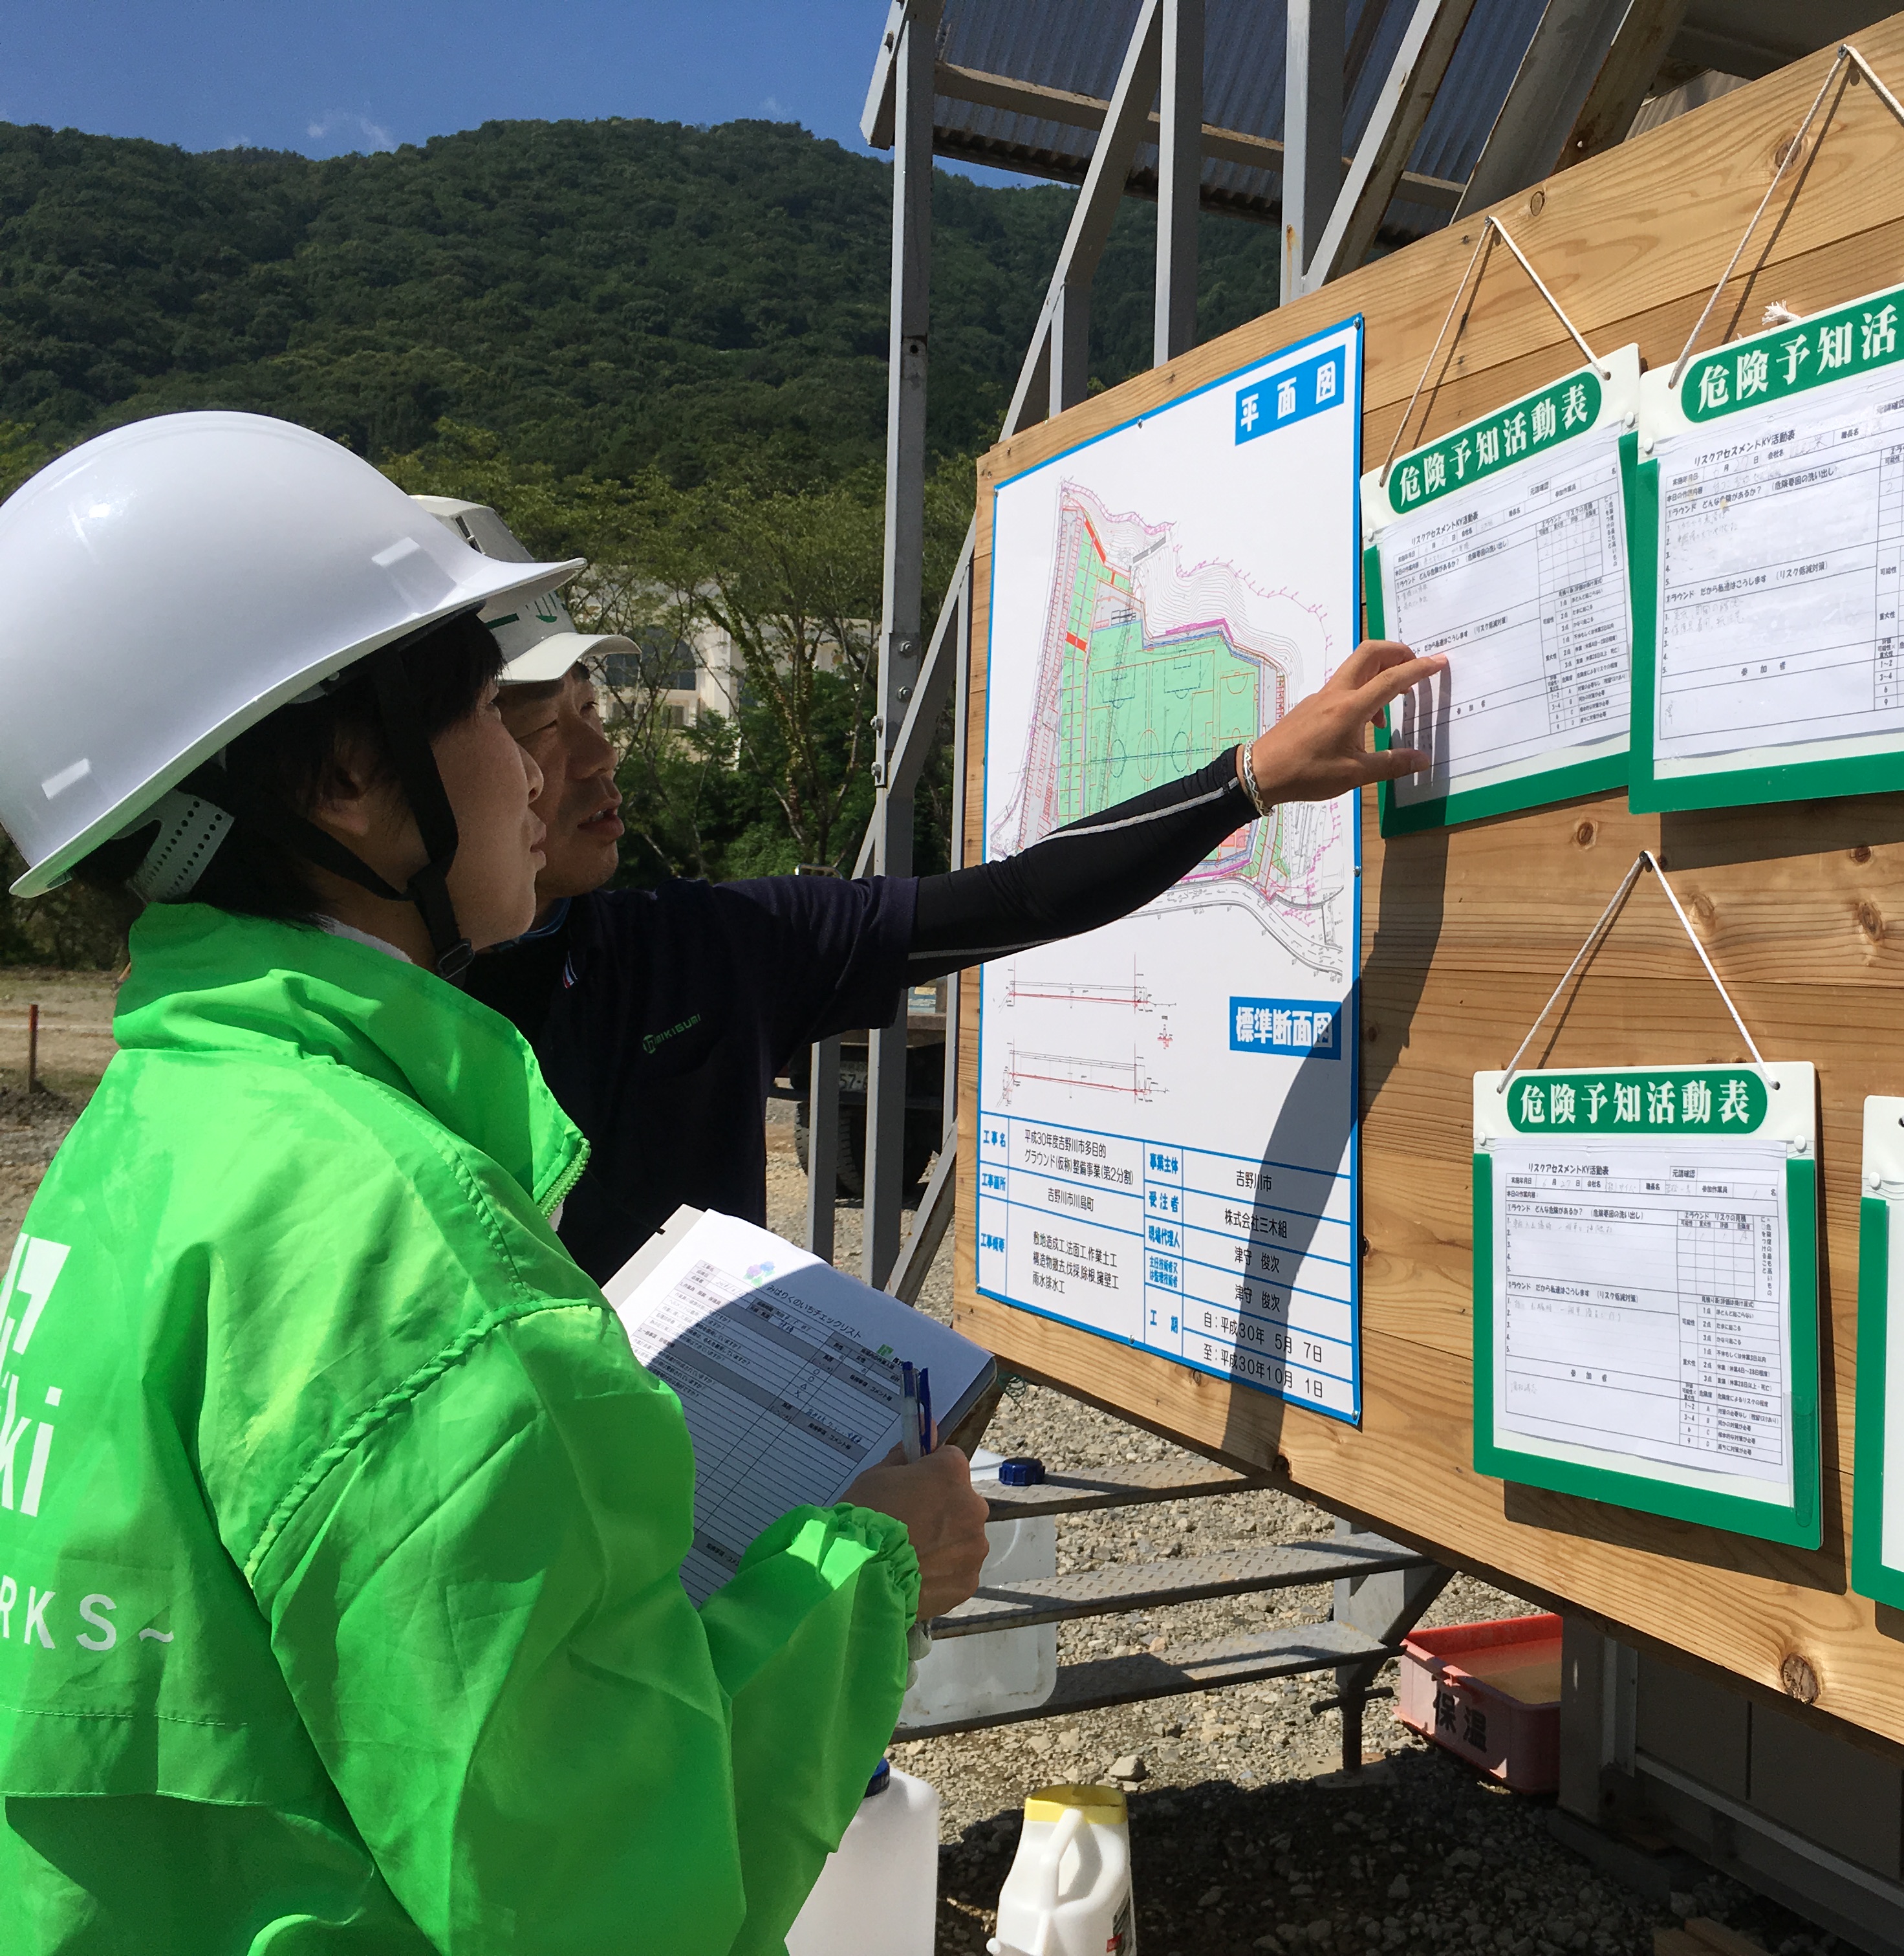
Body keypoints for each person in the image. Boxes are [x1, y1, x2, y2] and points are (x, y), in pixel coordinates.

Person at [0, 411, 990, 1955]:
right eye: (485, 710)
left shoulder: (149, 1134)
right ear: (350, 774)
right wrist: (867, 1573)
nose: (533, 771)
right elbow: (603, 1891)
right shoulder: (407, 1242)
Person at [428, 501, 1444, 1283]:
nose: (599, 756)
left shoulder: (707, 947)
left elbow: (1021, 898)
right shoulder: (351, 1055)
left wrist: (1246, 779)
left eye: (592, 708)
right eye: (540, 727)